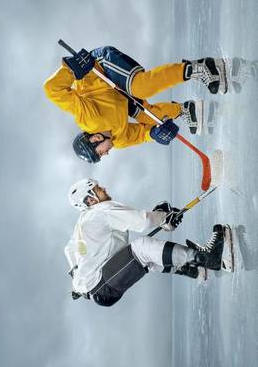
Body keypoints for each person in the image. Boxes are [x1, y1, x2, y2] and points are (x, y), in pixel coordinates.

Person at [44, 46, 228, 163]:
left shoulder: (88, 119)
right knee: (149, 119)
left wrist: (71, 69)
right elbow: (141, 134)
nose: (105, 155)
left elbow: (52, 89)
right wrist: (155, 134)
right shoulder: (118, 140)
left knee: (140, 87)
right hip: (119, 98)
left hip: (99, 69)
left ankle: (199, 69)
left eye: (99, 154)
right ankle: (186, 110)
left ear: (94, 140)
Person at [65, 178, 227, 307]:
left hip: (97, 288)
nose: (104, 188)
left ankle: (191, 269)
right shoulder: (100, 211)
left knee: (143, 261)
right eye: (98, 189)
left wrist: (77, 281)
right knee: (141, 248)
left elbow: (70, 249)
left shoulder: (83, 222)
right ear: (90, 200)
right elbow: (142, 222)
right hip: (102, 285)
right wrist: (164, 216)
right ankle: (207, 258)